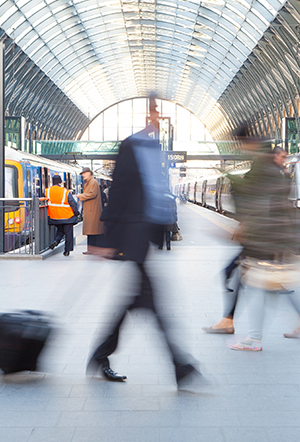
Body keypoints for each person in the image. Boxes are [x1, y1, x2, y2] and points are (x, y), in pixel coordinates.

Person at [86, 99, 200, 388]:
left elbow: (156, 193)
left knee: (137, 300)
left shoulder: (154, 148)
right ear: (148, 115)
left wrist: (163, 232)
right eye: (155, 111)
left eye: (161, 113)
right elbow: (120, 191)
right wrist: (107, 240)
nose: (159, 117)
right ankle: (179, 366)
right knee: (150, 300)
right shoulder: (132, 145)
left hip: (142, 236)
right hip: (129, 235)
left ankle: (101, 355)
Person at [227, 142, 300, 351]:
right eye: (282, 157)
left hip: (268, 244)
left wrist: (248, 231)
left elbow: (265, 210)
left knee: (263, 287)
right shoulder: (279, 176)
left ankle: (255, 338)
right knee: (273, 288)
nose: (284, 161)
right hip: (275, 243)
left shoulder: (270, 175)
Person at [46, 174, 79, 256]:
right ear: (60, 182)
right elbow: (73, 203)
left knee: (61, 230)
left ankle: (56, 241)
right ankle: (67, 251)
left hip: (54, 216)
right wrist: (76, 213)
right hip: (67, 216)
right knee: (68, 233)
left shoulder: (47, 191)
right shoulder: (65, 191)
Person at [75, 167, 104, 255]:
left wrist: (81, 196)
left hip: (93, 210)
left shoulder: (93, 182)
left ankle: (93, 249)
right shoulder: (89, 182)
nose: (83, 175)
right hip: (90, 210)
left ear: (89, 173)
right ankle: (91, 249)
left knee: (93, 231)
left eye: (84, 173)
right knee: (91, 231)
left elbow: (92, 194)